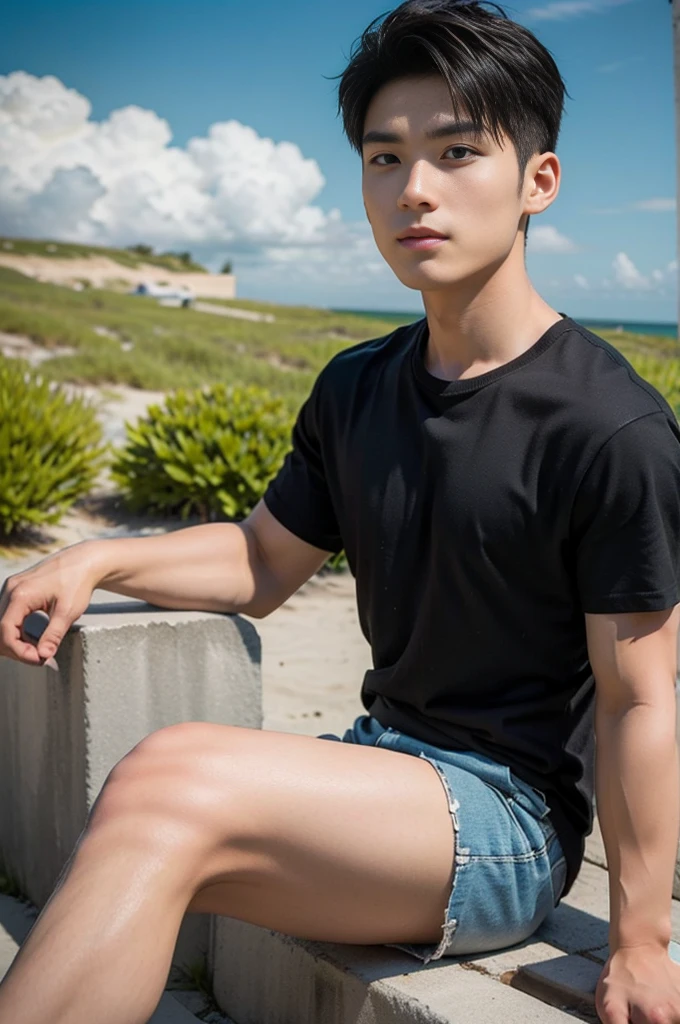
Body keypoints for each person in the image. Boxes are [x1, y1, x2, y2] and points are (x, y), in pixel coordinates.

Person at [0, 1, 679, 1021]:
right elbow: (264, 560)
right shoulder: (357, 384)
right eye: (383, 157)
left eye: (456, 152)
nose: (413, 189)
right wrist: (98, 559)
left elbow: (638, 700)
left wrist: (635, 939)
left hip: (505, 823)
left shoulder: (608, 425)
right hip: (374, 766)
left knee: (169, 777)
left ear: (537, 180)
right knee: (144, 836)